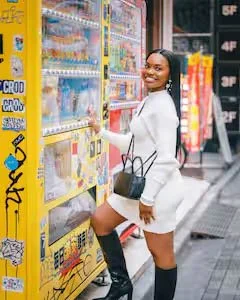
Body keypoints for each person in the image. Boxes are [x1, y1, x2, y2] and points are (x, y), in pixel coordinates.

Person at [88, 49, 184, 300]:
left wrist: (148, 199)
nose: (150, 72)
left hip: (157, 192)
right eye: (148, 65)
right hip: (138, 187)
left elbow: (166, 160)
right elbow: (134, 143)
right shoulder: (150, 99)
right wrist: (101, 132)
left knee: (160, 254)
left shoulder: (163, 108)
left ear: (170, 74)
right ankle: (121, 284)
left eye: (158, 68)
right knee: (101, 220)